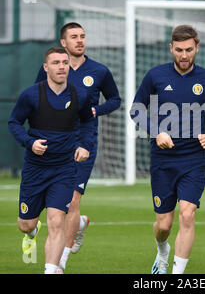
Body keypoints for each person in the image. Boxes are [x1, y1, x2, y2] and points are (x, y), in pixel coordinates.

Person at [130, 25, 205, 274]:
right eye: (179, 50)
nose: (184, 55)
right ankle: (162, 251)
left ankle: (176, 273)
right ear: (171, 48)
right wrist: (156, 131)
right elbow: (136, 109)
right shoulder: (155, 75)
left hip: (194, 159)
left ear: (197, 48)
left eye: (189, 50)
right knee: (163, 224)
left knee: (187, 214)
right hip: (163, 160)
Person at [35, 22, 121, 271]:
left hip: (84, 143)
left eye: (82, 36)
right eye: (74, 37)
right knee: (53, 206)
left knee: (72, 201)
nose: (79, 40)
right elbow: (37, 96)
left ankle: (59, 262)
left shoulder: (99, 71)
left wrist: (97, 109)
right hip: (54, 143)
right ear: (64, 42)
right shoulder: (52, 69)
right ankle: (79, 225)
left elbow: (115, 99)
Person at [8, 47, 95, 274]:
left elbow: (88, 122)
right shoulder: (31, 95)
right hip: (36, 169)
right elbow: (14, 123)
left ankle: (51, 270)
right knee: (25, 224)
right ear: (46, 67)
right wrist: (29, 142)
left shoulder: (79, 95)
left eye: (65, 62)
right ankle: (31, 230)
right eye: (55, 63)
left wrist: (85, 145)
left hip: (64, 169)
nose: (61, 67)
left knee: (57, 221)